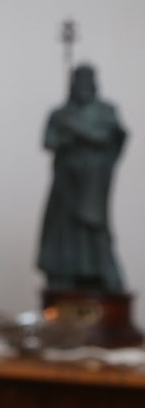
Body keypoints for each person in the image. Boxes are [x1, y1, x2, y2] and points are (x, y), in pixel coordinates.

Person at [38, 63, 127, 293]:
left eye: (87, 82)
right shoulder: (60, 113)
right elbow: (49, 142)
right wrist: (66, 138)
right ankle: (64, 274)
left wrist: (74, 129)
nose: (82, 87)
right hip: (66, 183)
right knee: (63, 230)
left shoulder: (105, 111)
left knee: (92, 225)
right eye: (78, 82)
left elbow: (106, 138)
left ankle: (100, 273)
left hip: (93, 183)